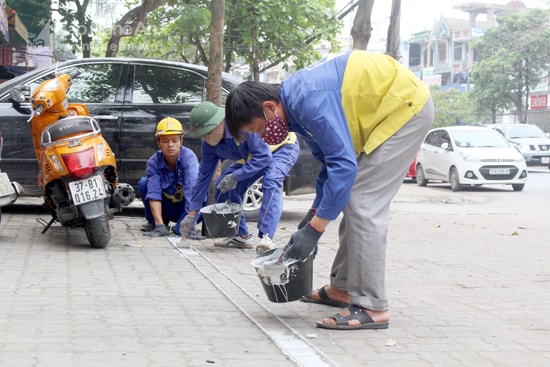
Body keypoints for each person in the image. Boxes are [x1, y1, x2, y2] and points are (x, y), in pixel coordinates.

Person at [224, 50, 434, 330]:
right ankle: (343, 288)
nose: (263, 138)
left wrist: (315, 229)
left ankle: (372, 305)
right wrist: (312, 216)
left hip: (406, 110)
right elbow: (328, 168)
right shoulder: (295, 109)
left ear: (269, 107)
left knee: (362, 202)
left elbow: (344, 167)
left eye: (260, 129)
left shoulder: (308, 100)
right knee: (351, 198)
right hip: (389, 111)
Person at [179, 101, 300, 253]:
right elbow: (203, 176)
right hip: (253, 157)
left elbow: (263, 158)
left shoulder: (243, 127)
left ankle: (267, 237)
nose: (207, 138)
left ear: (220, 123)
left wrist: (236, 176)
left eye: (209, 132)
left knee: (271, 181)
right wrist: (192, 213)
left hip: (281, 148)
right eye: (203, 135)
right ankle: (241, 235)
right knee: (223, 186)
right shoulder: (208, 144)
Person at [138, 117, 200, 237]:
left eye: (174, 140)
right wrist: (159, 225)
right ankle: (157, 223)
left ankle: (185, 224)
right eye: (165, 141)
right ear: (158, 143)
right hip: (167, 207)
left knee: (179, 231)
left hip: (187, 208)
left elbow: (192, 191)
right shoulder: (153, 162)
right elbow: (154, 192)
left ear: (181, 142)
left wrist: (189, 222)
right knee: (144, 183)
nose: (170, 145)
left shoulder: (189, 158)